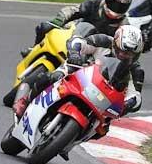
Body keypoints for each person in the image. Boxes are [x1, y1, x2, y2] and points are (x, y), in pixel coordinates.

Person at [13, 24, 144, 119]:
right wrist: (75, 54)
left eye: (129, 54)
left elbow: (136, 95)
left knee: (103, 127)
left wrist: (129, 103)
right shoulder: (103, 41)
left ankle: (70, 140)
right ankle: (26, 100)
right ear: (115, 43)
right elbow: (78, 42)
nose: (123, 55)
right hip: (80, 73)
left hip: (103, 96)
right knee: (53, 77)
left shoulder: (136, 70)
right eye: (121, 51)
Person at [29, 0, 133, 54]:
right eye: (113, 3)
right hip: (75, 31)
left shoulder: (124, 25)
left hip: (94, 50)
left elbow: (124, 48)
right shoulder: (95, 2)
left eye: (120, 6)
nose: (116, 8)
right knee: (45, 27)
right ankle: (34, 49)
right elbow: (73, 10)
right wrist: (58, 20)